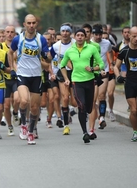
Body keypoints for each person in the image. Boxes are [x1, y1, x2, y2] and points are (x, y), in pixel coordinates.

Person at [8, 14, 50, 145]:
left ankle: (31, 133)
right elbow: (10, 53)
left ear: (36, 24)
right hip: (22, 75)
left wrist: (46, 56)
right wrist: (13, 68)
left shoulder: (41, 39)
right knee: (24, 100)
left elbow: (48, 60)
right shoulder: (18, 39)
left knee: (35, 107)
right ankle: (24, 125)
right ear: (24, 24)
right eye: (29, 23)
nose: (31, 26)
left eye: (33, 23)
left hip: (36, 76)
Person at [60, 29, 105, 144]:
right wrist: (66, 78)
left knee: (89, 108)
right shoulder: (70, 51)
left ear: (85, 37)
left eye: (82, 35)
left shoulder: (92, 49)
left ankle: (87, 127)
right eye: (78, 35)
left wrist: (92, 69)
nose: (80, 37)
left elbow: (101, 64)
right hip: (76, 81)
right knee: (81, 105)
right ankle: (85, 132)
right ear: (74, 37)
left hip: (89, 81)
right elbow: (62, 65)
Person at [48, 23, 76, 134]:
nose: (65, 33)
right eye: (63, 31)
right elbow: (47, 59)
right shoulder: (56, 46)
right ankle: (66, 125)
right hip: (62, 73)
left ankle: (73, 111)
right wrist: (51, 72)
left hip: (75, 73)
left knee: (74, 102)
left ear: (70, 33)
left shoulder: (75, 44)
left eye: (67, 31)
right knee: (64, 98)